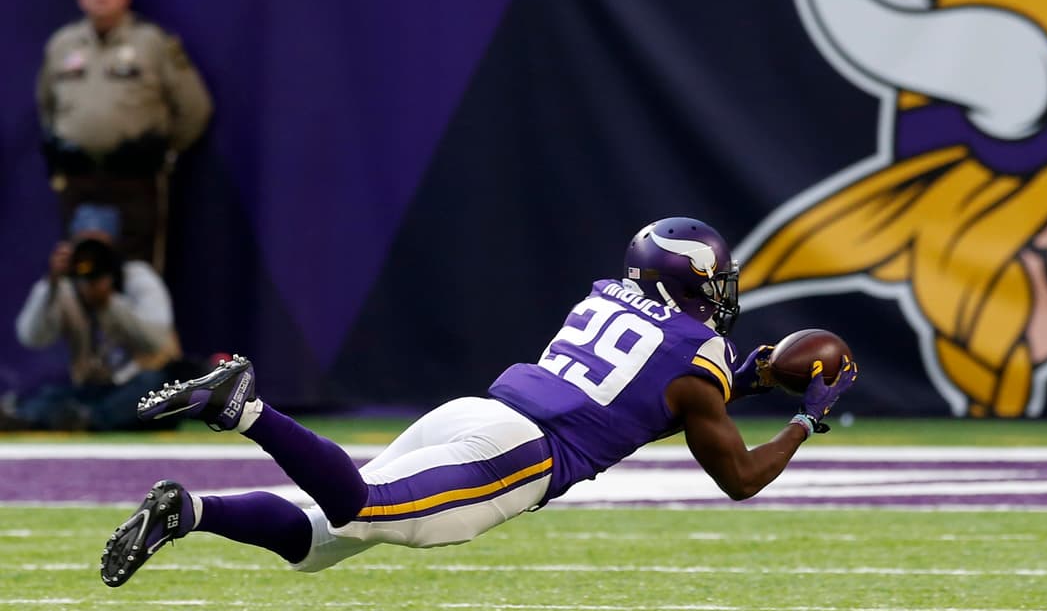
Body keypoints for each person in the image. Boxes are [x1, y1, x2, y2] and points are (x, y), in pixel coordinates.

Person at [99, 216, 859, 587]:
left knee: (315, 544)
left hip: (476, 414)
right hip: (518, 455)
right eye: (713, 279)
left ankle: (186, 511)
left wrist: (747, 375)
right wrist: (805, 420)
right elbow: (740, 476)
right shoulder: (697, 364)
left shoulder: (611, 297)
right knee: (361, 505)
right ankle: (246, 410)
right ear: (687, 282)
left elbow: (655, 389)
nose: (721, 292)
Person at [37, 0, 212, 270]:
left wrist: (164, 150)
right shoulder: (62, 45)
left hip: (134, 180)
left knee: (136, 273)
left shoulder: (153, 44)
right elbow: (46, 104)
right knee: (78, 270)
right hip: (79, 179)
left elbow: (194, 108)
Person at [7, 204, 184, 431]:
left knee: (155, 386)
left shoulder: (137, 278)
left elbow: (156, 342)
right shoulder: (62, 286)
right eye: (84, 247)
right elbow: (30, 337)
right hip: (92, 387)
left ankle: (86, 418)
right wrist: (50, 286)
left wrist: (110, 303)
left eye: (99, 248)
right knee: (52, 392)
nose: (91, 258)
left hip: (138, 384)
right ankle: (40, 415)